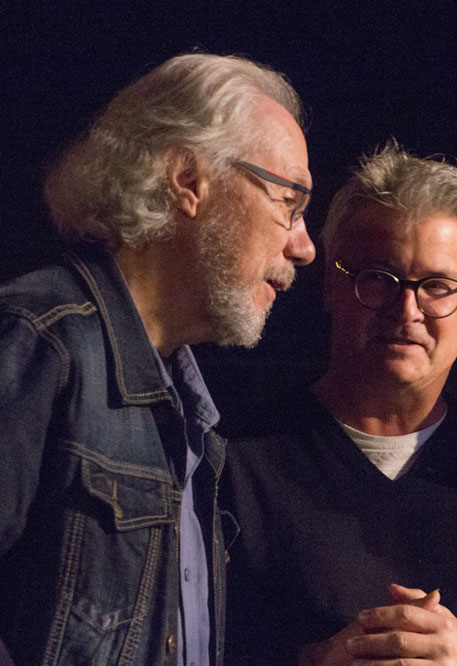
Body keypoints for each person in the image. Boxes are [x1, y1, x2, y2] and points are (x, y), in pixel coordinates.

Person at [0, 53, 316, 664]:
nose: (303, 246)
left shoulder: (193, 417)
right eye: (289, 202)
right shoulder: (40, 342)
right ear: (189, 180)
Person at [222, 144, 457, 665]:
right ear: (332, 285)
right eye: (379, 280)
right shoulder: (234, 461)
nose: (407, 310)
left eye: (438, 287)